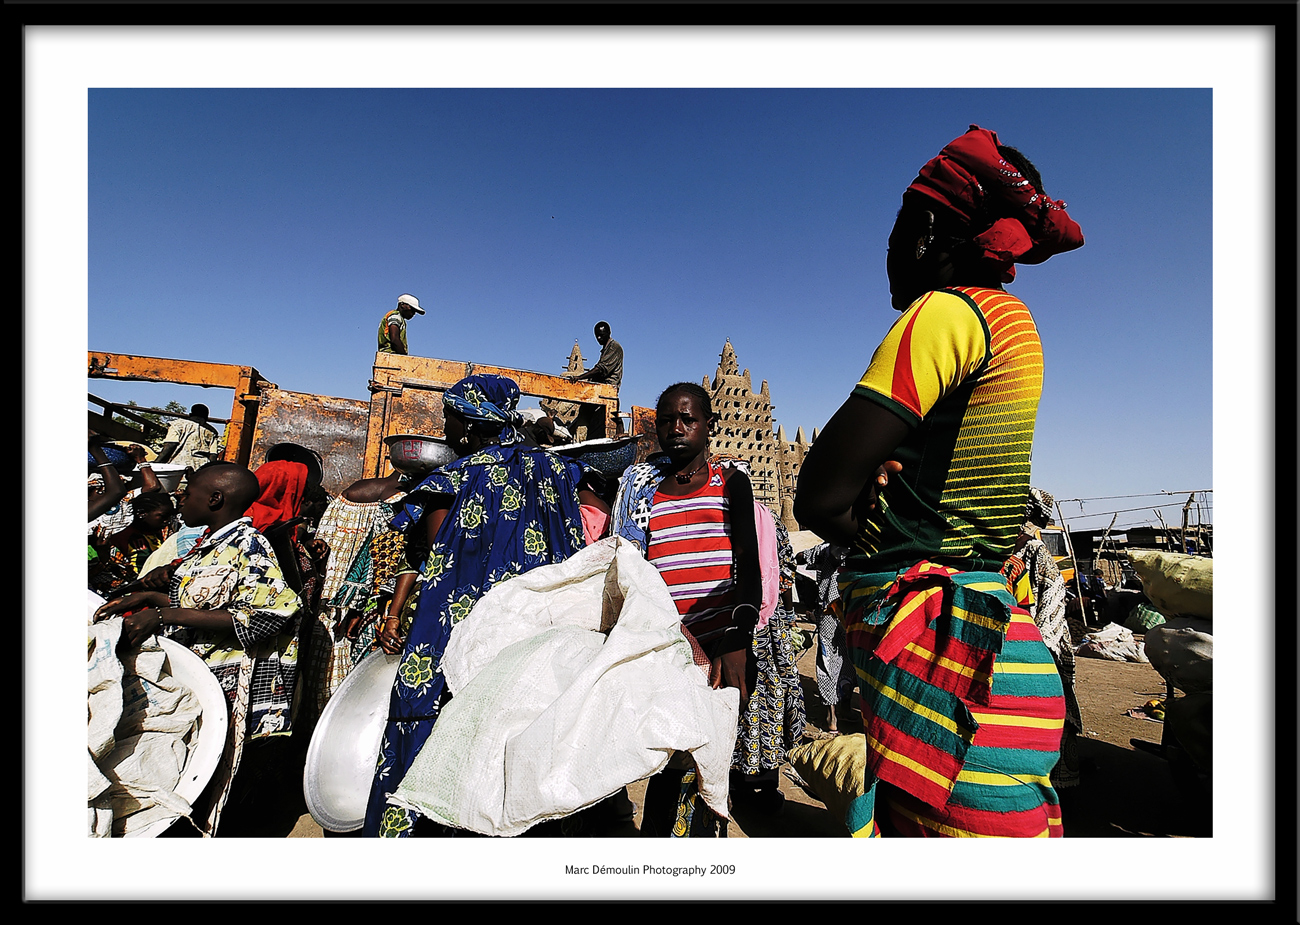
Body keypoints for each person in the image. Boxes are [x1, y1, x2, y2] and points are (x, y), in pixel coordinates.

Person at [794, 124, 1084, 838]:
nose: (890, 246)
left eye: (901, 224)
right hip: (998, 663)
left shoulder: (944, 313)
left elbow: (820, 496)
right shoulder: (1015, 324)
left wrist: (860, 502)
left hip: (942, 666)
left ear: (927, 228)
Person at [363, 374, 600, 838]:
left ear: (470, 422)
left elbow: (435, 553)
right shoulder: (557, 470)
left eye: (450, 417)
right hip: (538, 627)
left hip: (461, 627)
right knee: (524, 727)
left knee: (439, 723)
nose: (445, 427)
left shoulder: (455, 476)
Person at [93, 462, 303, 835]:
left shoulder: (247, 546)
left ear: (215, 499)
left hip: (233, 684)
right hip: (208, 678)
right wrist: (150, 596)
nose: (181, 497)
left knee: (221, 784)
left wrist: (161, 615)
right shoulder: (213, 543)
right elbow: (205, 599)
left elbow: (274, 611)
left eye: (188, 492)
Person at [609, 383, 768, 836]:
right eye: (666, 420)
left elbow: (748, 568)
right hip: (667, 649)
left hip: (722, 651)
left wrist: (738, 638)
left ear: (709, 425)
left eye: (688, 419)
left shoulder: (730, 481)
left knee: (706, 765)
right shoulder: (643, 489)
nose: (676, 429)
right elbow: (631, 568)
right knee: (667, 765)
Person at [1001, 488, 1083, 790]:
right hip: (1017, 640)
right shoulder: (1006, 550)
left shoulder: (1035, 551)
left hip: (1042, 641)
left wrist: (1039, 639)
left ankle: (1059, 783)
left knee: (1055, 708)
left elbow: (1053, 593)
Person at [569, 321, 624, 438]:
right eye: (597, 336)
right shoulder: (605, 348)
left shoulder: (614, 347)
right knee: (585, 408)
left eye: (601, 335)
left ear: (609, 333)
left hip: (608, 388)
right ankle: (581, 438)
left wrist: (580, 377)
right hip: (601, 387)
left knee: (600, 413)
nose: (599, 338)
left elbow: (601, 369)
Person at [156, 404, 221, 470]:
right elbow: (213, 454)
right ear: (206, 417)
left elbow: (171, 444)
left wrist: (156, 463)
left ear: (190, 414)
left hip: (178, 466)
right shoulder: (212, 431)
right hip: (202, 468)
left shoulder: (177, 425)